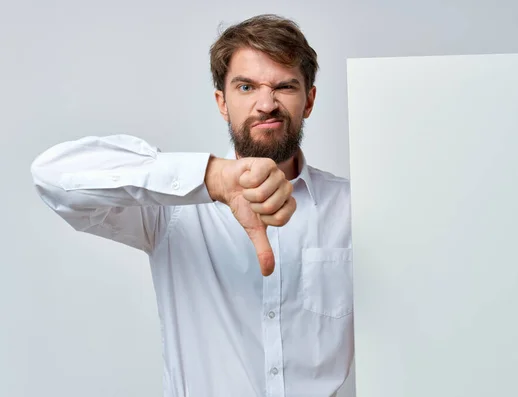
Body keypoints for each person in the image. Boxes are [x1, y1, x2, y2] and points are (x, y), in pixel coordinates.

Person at [31, 13, 353, 397]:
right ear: (222, 102)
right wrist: (214, 178)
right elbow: (52, 176)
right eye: (246, 86)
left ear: (309, 100)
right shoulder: (171, 207)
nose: (266, 104)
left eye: (284, 86)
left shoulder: (355, 207)